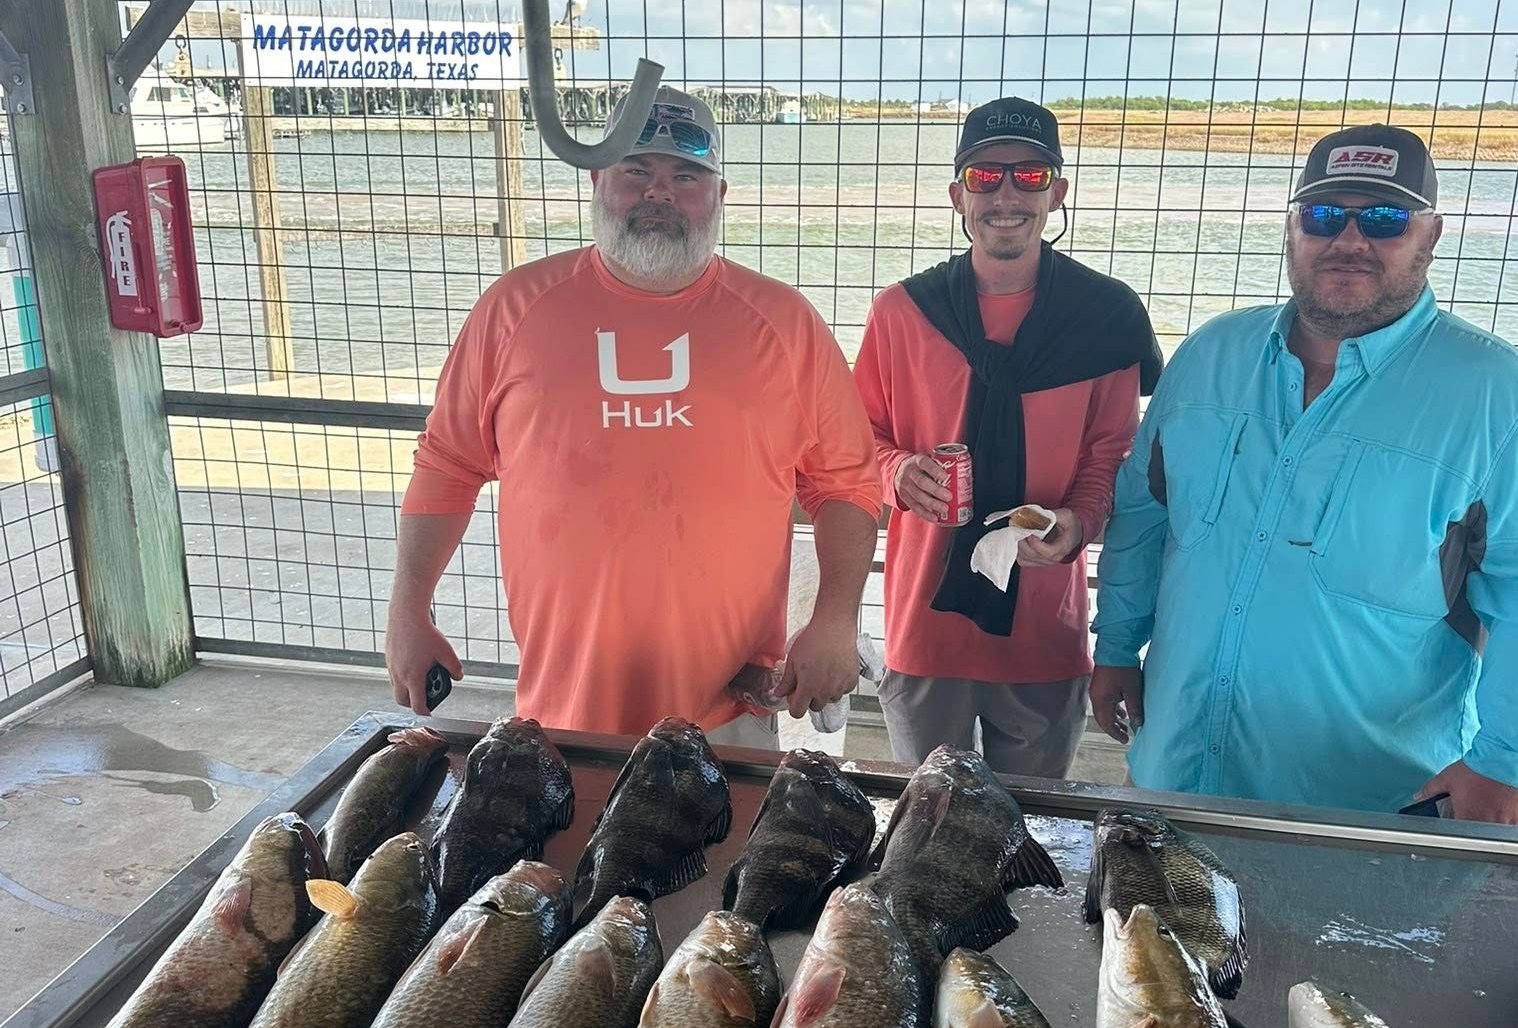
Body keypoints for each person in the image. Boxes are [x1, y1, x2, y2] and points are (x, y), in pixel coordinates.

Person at [387, 84, 881, 741]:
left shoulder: (784, 324)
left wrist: (835, 620)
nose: (660, 192)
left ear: (719, 194)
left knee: (732, 845)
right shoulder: (515, 310)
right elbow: (448, 463)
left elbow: (847, 484)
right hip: (560, 708)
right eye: (636, 171)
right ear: (596, 178)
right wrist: (408, 610)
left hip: (728, 706)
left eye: (686, 175)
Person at [1090, 123, 1518, 825]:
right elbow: (1143, 519)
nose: (1349, 240)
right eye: (1325, 215)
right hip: (1174, 775)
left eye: (1385, 218)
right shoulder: (1210, 356)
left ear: (1433, 234)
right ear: (1293, 227)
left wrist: (1506, 763)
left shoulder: (1502, 396)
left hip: (1365, 807)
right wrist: (1115, 645)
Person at [854, 97, 1161, 774]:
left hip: (1044, 630)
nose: (1005, 195)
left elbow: (1112, 453)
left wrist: (1078, 525)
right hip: (923, 624)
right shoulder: (901, 311)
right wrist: (898, 473)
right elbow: (858, 439)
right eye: (985, 176)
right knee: (924, 828)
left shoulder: (1105, 315)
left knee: (1029, 827)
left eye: (1028, 176)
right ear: (957, 194)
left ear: (1057, 192)